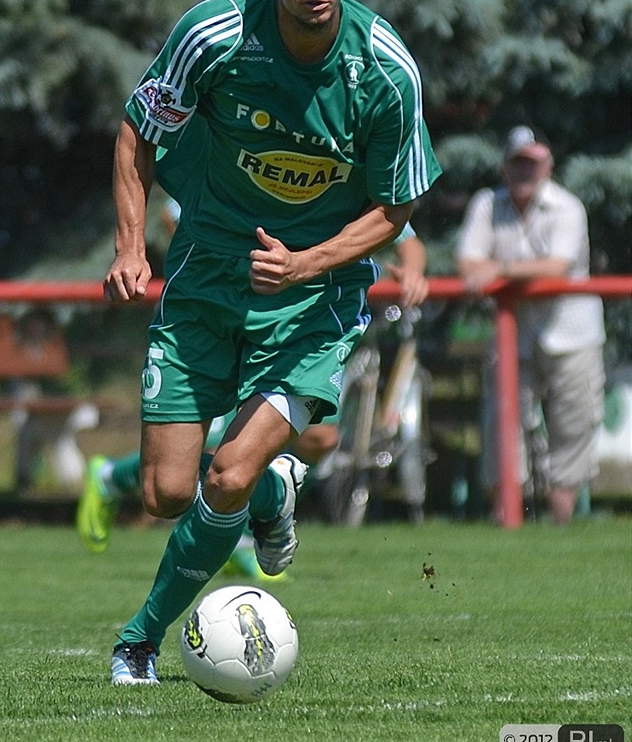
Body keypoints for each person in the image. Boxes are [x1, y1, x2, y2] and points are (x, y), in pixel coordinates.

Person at [102, 0, 441, 685]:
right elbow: (136, 133)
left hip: (312, 302)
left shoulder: (383, 71)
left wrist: (308, 262)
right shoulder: (214, 35)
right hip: (206, 277)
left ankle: (139, 640)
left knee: (229, 468)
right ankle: (271, 499)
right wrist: (129, 246)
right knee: (166, 490)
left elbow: (400, 205)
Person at [76, 223, 430, 568]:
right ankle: (130, 484)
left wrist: (412, 271)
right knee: (214, 453)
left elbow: (401, 228)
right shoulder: (246, 171)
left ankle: (263, 513)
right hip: (232, 312)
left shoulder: (347, 179)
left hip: (311, 327)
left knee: (320, 438)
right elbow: (173, 211)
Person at [456, 125, 605, 524]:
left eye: (532, 163)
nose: (525, 171)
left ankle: (561, 522)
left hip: (573, 333)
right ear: (505, 167)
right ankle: (506, 518)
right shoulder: (487, 204)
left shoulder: (568, 206)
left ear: (548, 165)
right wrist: (493, 270)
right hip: (513, 334)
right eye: (518, 163)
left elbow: (555, 267)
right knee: (501, 420)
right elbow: (467, 263)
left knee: (573, 425)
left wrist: (498, 269)